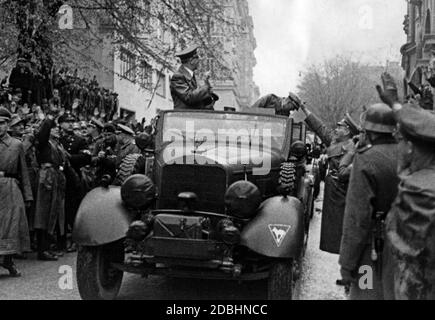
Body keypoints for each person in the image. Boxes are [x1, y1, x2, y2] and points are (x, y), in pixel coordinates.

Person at [377, 72, 435, 300]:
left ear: (411, 147)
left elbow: (409, 269)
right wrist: (395, 104)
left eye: (399, 140)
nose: (397, 147)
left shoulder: (420, 194)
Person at [338, 103, 399, 300]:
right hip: (409, 245)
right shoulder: (411, 156)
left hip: (373, 248)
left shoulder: (366, 159)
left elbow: (357, 217)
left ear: (369, 132)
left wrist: (347, 265)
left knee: (366, 292)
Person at [298, 103, 360, 254]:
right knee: (333, 230)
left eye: (340, 127)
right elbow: (320, 128)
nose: (336, 129)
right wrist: (304, 109)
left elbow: (349, 173)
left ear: (347, 131)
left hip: (344, 191)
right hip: (333, 188)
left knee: (344, 228)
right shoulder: (335, 142)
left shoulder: (353, 148)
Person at [0, 107, 32, 276]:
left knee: (11, 225)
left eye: (2, 123)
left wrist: (28, 195)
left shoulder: (16, 144)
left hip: (10, 187)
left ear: (8, 125)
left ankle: (8, 260)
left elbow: (24, 172)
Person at [170, 45, 214, 110]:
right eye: (197, 58)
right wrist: (205, 86)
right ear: (192, 61)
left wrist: (208, 91)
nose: (199, 60)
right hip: (183, 118)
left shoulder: (191, 76)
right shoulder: (178, 77)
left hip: (192, 117)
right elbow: (189, 97)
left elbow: (197, 99)